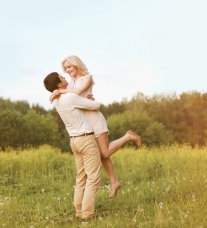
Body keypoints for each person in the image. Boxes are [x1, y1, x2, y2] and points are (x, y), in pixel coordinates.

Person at [50, 55, 142, 198]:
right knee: (100, 155)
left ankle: (128, 136)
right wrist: (56, 92)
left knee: (104, 153)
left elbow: (77, 94)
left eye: (70, 67)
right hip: (84, 125)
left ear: (77, 65)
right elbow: (69, 98)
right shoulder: (70, 83)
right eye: (65, 68)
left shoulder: (87, 78)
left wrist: (60, 91)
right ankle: (114, 182)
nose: (67, 70)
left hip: (94, 120)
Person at [44, 72, 102, 220]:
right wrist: (89, 100)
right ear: (59, 84)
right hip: (86, 140)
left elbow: (78, 107)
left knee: (81, 177)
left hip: (74, 141)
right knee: (93, 178)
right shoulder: (70, 97)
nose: (65, 77)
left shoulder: (57, 101)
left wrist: (83, 100)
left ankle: (78, 212)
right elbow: (96, 105)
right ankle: (87, 215)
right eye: (62, 77)